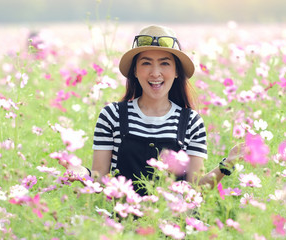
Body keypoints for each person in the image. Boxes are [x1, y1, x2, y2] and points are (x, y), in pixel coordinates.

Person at [69, 25, 244, 195]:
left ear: (176, 72)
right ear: (135, 71)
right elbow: (100, 178)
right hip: (124, 221)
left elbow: (195, 188)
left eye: (165, 63)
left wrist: (227, 164)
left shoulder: (191, 121)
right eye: (146, 63)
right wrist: (82, 172)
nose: (155, 73)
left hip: (174, 221)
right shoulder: (112, 115)